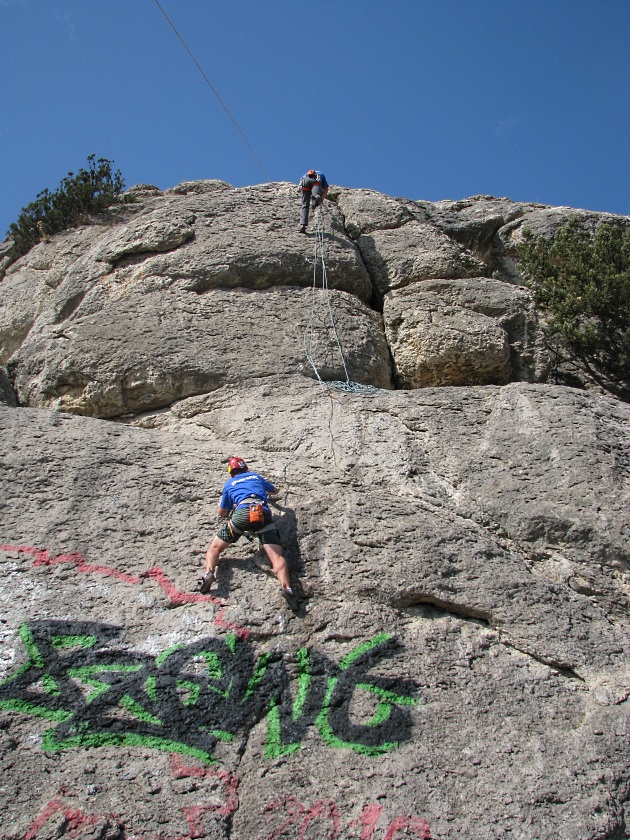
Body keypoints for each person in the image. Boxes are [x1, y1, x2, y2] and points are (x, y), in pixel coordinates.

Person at [200, 457, 297, 608]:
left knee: (214, 548)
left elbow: (221, 512)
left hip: (242, 513)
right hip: (261, 513)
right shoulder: (255, 476)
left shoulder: (229, 484)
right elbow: (275, 490)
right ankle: (287, 588)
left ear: (231, 472)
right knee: (277, 557)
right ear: (245, 468)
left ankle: (209, 573)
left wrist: (231, 509)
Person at [298, 169, 329, 233]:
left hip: (304, 182)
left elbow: (301, 182)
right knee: (316, 193)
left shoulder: (305, 174)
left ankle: (302, 225)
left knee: (304, 205)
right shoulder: (321, 174)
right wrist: (321, 200)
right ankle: (315, 197)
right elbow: (326, 189)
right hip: (315, 181)